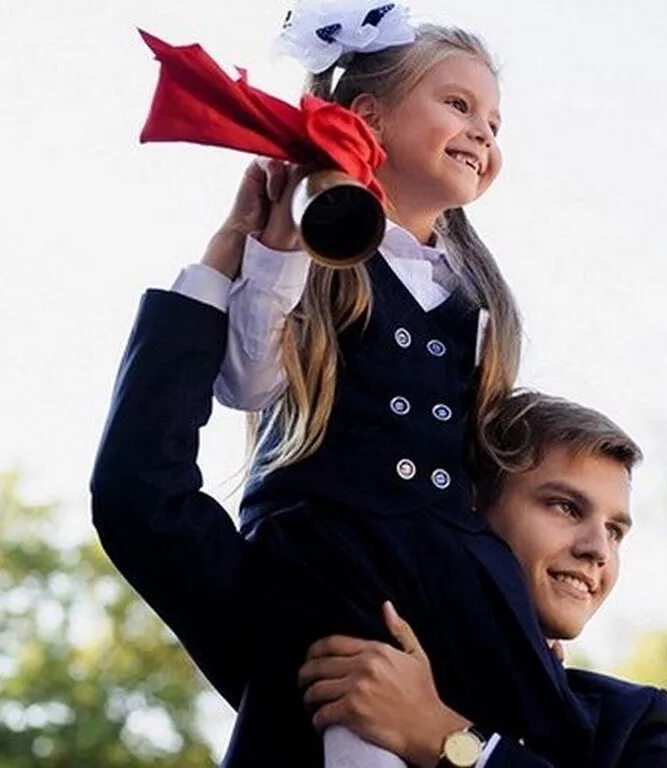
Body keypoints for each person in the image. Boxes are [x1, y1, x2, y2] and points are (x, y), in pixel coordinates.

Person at [93, 4, 635, 765]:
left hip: (449, 568)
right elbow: (245, 387)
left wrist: (470, 699)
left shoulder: (619, 727)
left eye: (495, 122)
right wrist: (244, 255)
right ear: (368, 117)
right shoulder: (317, 251)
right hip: (333, 561)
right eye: (457, 104)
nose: (483, 132)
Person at [298, 391, 667, 766]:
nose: (599, 549)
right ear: (472, 507)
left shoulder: (631, 722)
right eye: (566, 507)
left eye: (615, 531)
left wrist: (444, 736)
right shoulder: (349, 652)